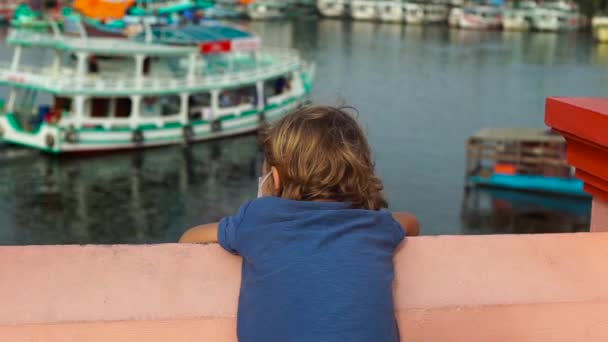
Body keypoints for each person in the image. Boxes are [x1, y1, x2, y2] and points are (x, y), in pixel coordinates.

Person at [180, 105, 419, 342]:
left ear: (274, 178)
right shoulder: (376, 227)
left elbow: (189, 239)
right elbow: (410, 222)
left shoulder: (258, 218)